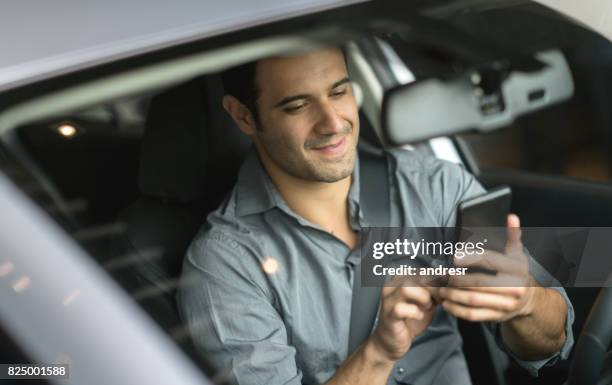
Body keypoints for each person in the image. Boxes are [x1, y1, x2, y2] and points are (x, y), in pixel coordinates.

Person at [177, 46, 574, 385]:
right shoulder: (223, 263)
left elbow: (555, 339)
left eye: (340, 91)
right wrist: (380, 353)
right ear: (244, 116)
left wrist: (524, 303)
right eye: (298, 105)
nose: (333, 123)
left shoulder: (434, 187)